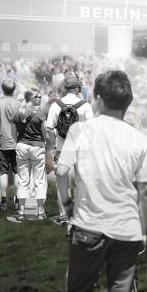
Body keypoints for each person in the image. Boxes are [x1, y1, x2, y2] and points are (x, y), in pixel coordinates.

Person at [54, 70, 147, 292]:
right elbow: (143, 192)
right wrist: (142, 231)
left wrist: (67, 207)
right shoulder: (139, 139)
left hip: (87, 225)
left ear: (96, 99)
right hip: (127, 228)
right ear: (128, 102)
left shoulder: (79, 131)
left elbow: (61, 172)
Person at [47, 76, 94, 226]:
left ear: (64, 89)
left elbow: (49, 128)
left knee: (62, 180)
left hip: (62, 147)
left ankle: (63, 214)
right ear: (77, 88)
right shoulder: (85, 105)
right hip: (82, 147)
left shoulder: (56, 105)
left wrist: (54, 144)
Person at [11, 90, 49, 222]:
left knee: (23, 180)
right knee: (39, 180)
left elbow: (13, 132)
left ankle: (21, 212)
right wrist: (44, 143)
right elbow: (45, 133)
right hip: (37, 146)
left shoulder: (17, 113)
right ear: (30, 99)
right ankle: (40, 212)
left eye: (40, 96)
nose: (39, 98)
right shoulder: (39, 113)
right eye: (36, 97)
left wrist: (19, 142)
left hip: (22, 146)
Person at [0, 79, 23, 211]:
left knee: (2, 173)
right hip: (17, 143)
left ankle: (2, 203)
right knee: (17, 172)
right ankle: (18, 201)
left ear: (3, 89)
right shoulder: (19, 104)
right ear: (14, 90)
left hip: (2, 143)